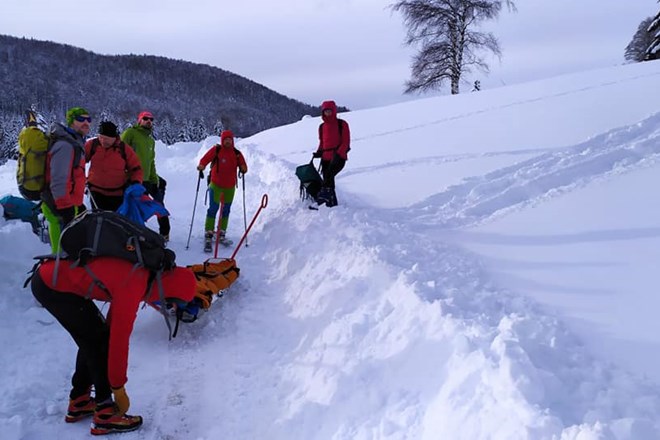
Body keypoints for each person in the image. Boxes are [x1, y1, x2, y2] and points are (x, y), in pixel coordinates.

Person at [30, 257, 196, 435]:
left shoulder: (147, 273)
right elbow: (118, 343)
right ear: (169, 291)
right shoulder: (134, 285)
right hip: (53, 285)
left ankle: (79, 401)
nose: (166, 307)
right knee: (98, 343)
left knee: (95, 337)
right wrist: (118, 388)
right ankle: (105, 414)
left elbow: (113, 323)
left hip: (53, 276)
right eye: (170, 302)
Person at [42, 107, 90, 252]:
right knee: (61, 253)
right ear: (70, 122)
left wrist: (77, 203)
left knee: (67, 251)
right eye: (80, 119)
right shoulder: (65, 145)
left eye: (89, 119)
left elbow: (74, 175)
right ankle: (57, 273)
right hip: (59, 206)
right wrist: (65, 207)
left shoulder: (74, 143)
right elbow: (58, 179)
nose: (86, 123)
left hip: (67, 203)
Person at [120, 111, 170, 240]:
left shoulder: (150, 140)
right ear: (139, 120)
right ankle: (133, 234)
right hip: (133, 180)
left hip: (147, 179)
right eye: (145, 118)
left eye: (151, 119)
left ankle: (164, 233)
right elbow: (119, 153)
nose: (149, 121)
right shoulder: (130, 133)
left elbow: (150, 161)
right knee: (135, 208)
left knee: (159, 205)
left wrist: (155, 179)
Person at [196, 130, 247, 247]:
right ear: (222, 140)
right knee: (213, 208)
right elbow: (205, 159)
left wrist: (243, 168)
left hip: (230, 187)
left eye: (229, 139)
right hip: (216, 185)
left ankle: (221, 232)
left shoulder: (236, 153)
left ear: (232, 140)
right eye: (225, 139)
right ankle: (209, 232)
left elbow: (243, 164)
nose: (227, 141)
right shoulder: (216, 150)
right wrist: (201, 166)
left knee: (226, 210)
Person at [85, 121, 143, 212]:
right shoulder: (92, 145)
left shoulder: (124, 149)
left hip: (117, 194)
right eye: (101, 137)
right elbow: (79, 162)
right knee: (99, 220)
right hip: (95, 192)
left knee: (114, 221)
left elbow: (136, 168)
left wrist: (135, 182)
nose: (103, 141)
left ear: (114, 138)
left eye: (107, 139)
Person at [312, 100, 350, 207]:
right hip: (325, 158)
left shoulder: (342, 124)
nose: (327, 113)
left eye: (329, 111)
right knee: (328, 180)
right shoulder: (322, 127)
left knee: (328, 177)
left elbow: (346, 141)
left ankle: (326, 201)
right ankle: (331, 203)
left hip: (339, 157)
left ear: (334, 111)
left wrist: (339, 154)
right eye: (325, 111)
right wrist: (319, 152)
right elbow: (322, 142)